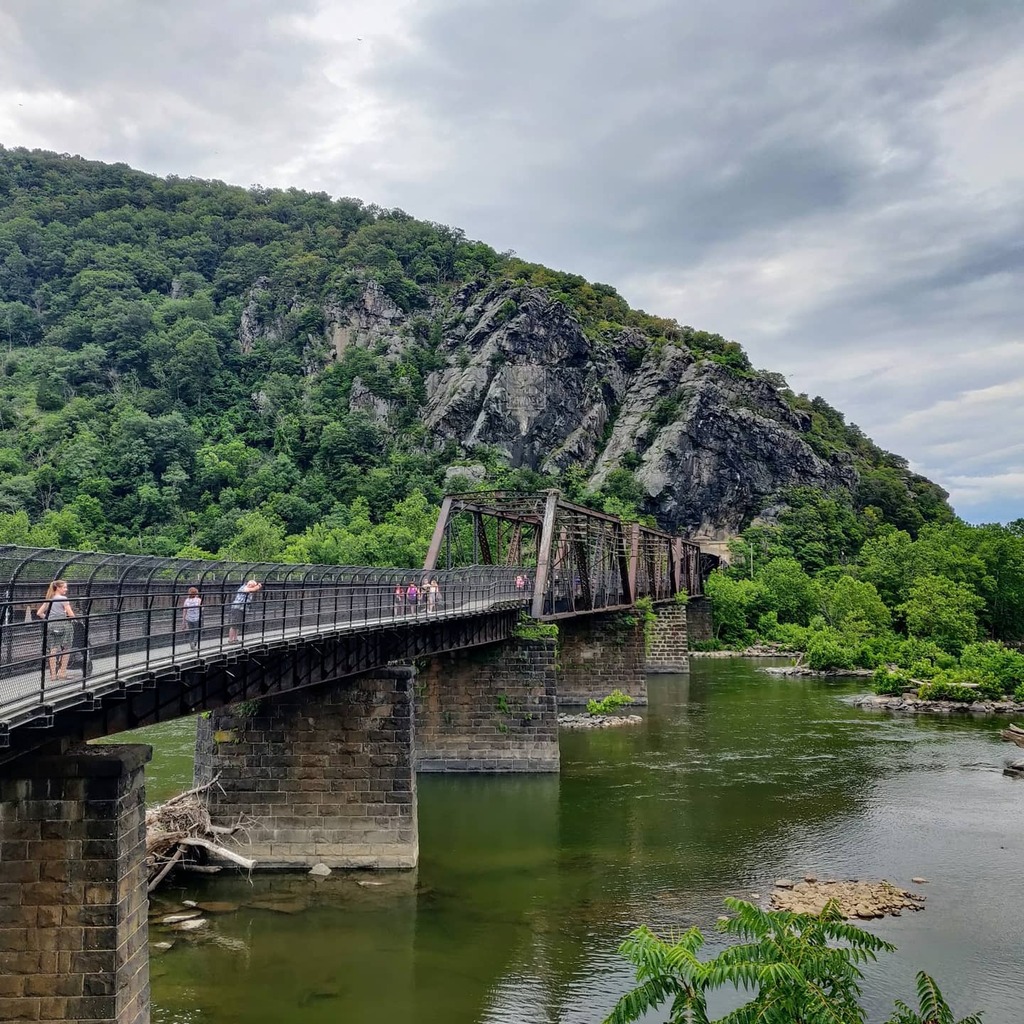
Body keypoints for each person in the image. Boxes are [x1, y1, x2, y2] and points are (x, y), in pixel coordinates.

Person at [36, 579, 75, 682]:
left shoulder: (49, 598)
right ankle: (62, 672)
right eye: (64, 587)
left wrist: (49, 619)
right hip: (63, 625)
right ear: (58, 588)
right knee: (66, 648)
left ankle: (53, 675)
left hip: (51, 626)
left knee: (52, 650)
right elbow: (71, 615)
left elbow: (39, 613)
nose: (66, 589)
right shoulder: (63, 599)